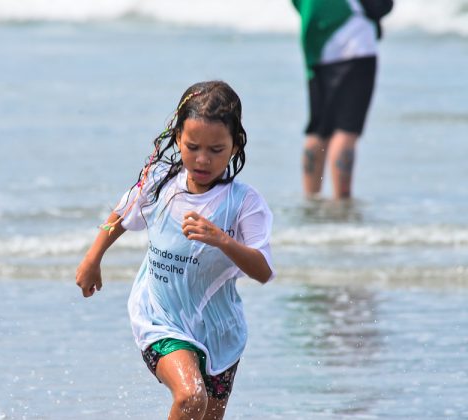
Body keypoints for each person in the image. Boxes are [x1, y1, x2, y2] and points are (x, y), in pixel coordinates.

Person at [76, 80, 275, 420]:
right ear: (178, 137)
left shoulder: (245, 203)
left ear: (235, 146)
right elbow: (120, 216)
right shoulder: (159, 184)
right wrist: (93, 257)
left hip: (219, 333)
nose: (202, 159)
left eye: (216, 149)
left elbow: (263, 271)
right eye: (192, 146)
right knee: (190, 398)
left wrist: (221, 239)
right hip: (159, 318)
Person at [292, 0, 392, 199]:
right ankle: (342, 204)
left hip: (316, 43)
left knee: (319, 128)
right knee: (346, 131)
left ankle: (310, 200)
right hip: (355, 42)